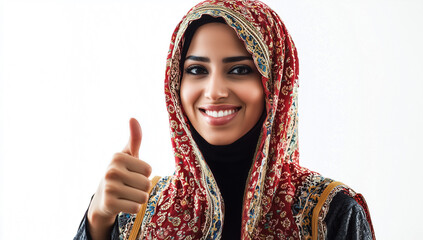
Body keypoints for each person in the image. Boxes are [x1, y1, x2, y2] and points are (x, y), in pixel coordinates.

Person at [74, 0, 375, 239]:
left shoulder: (331, 213)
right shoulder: (137, 210)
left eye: (240, 70)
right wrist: (98, 221)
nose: (215, 91)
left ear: (275, 85)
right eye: (197, 70)